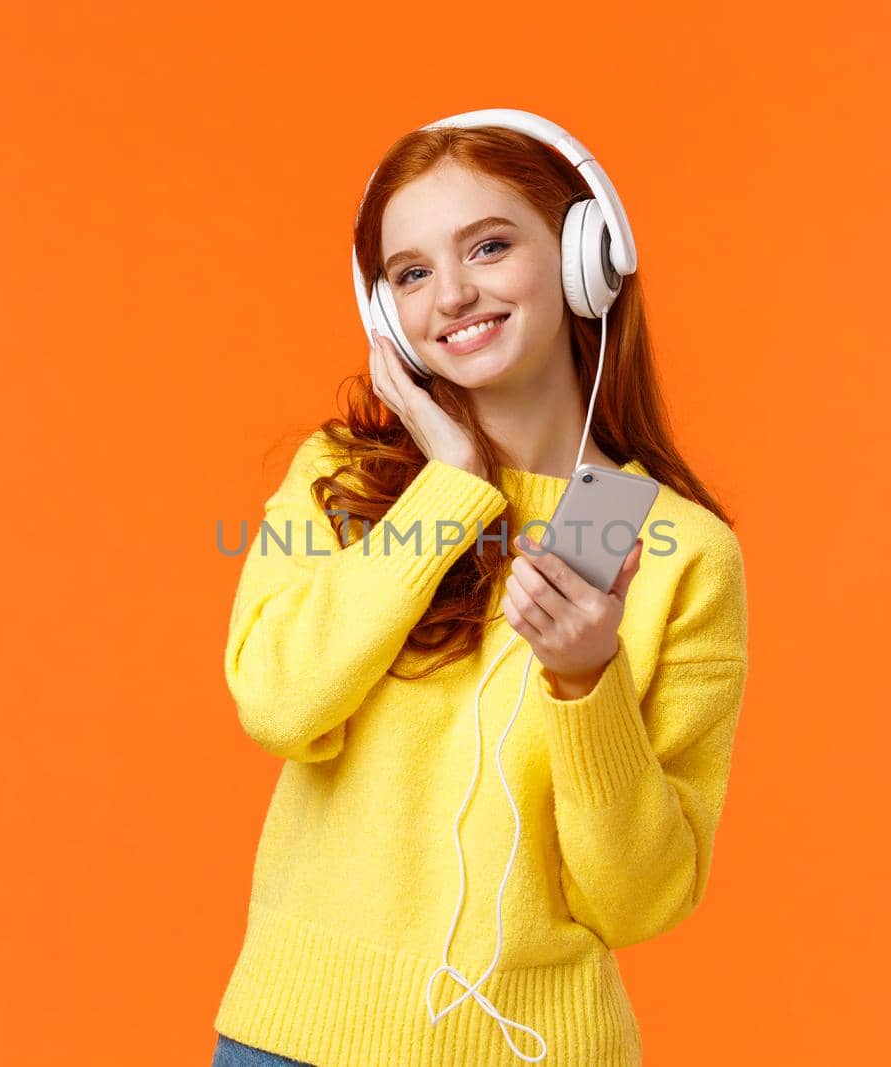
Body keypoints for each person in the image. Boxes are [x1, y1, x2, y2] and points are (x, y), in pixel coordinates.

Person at [211, 112, 749, 1067]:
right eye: (412, 272)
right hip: (293, 1040)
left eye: (490, 246)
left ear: (587, 258)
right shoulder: (341, 477)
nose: (452, 293)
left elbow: (640, 898)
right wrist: (452, 483)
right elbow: (278, 704)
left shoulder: (676, 550)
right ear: (387, 313)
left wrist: (589, 686)